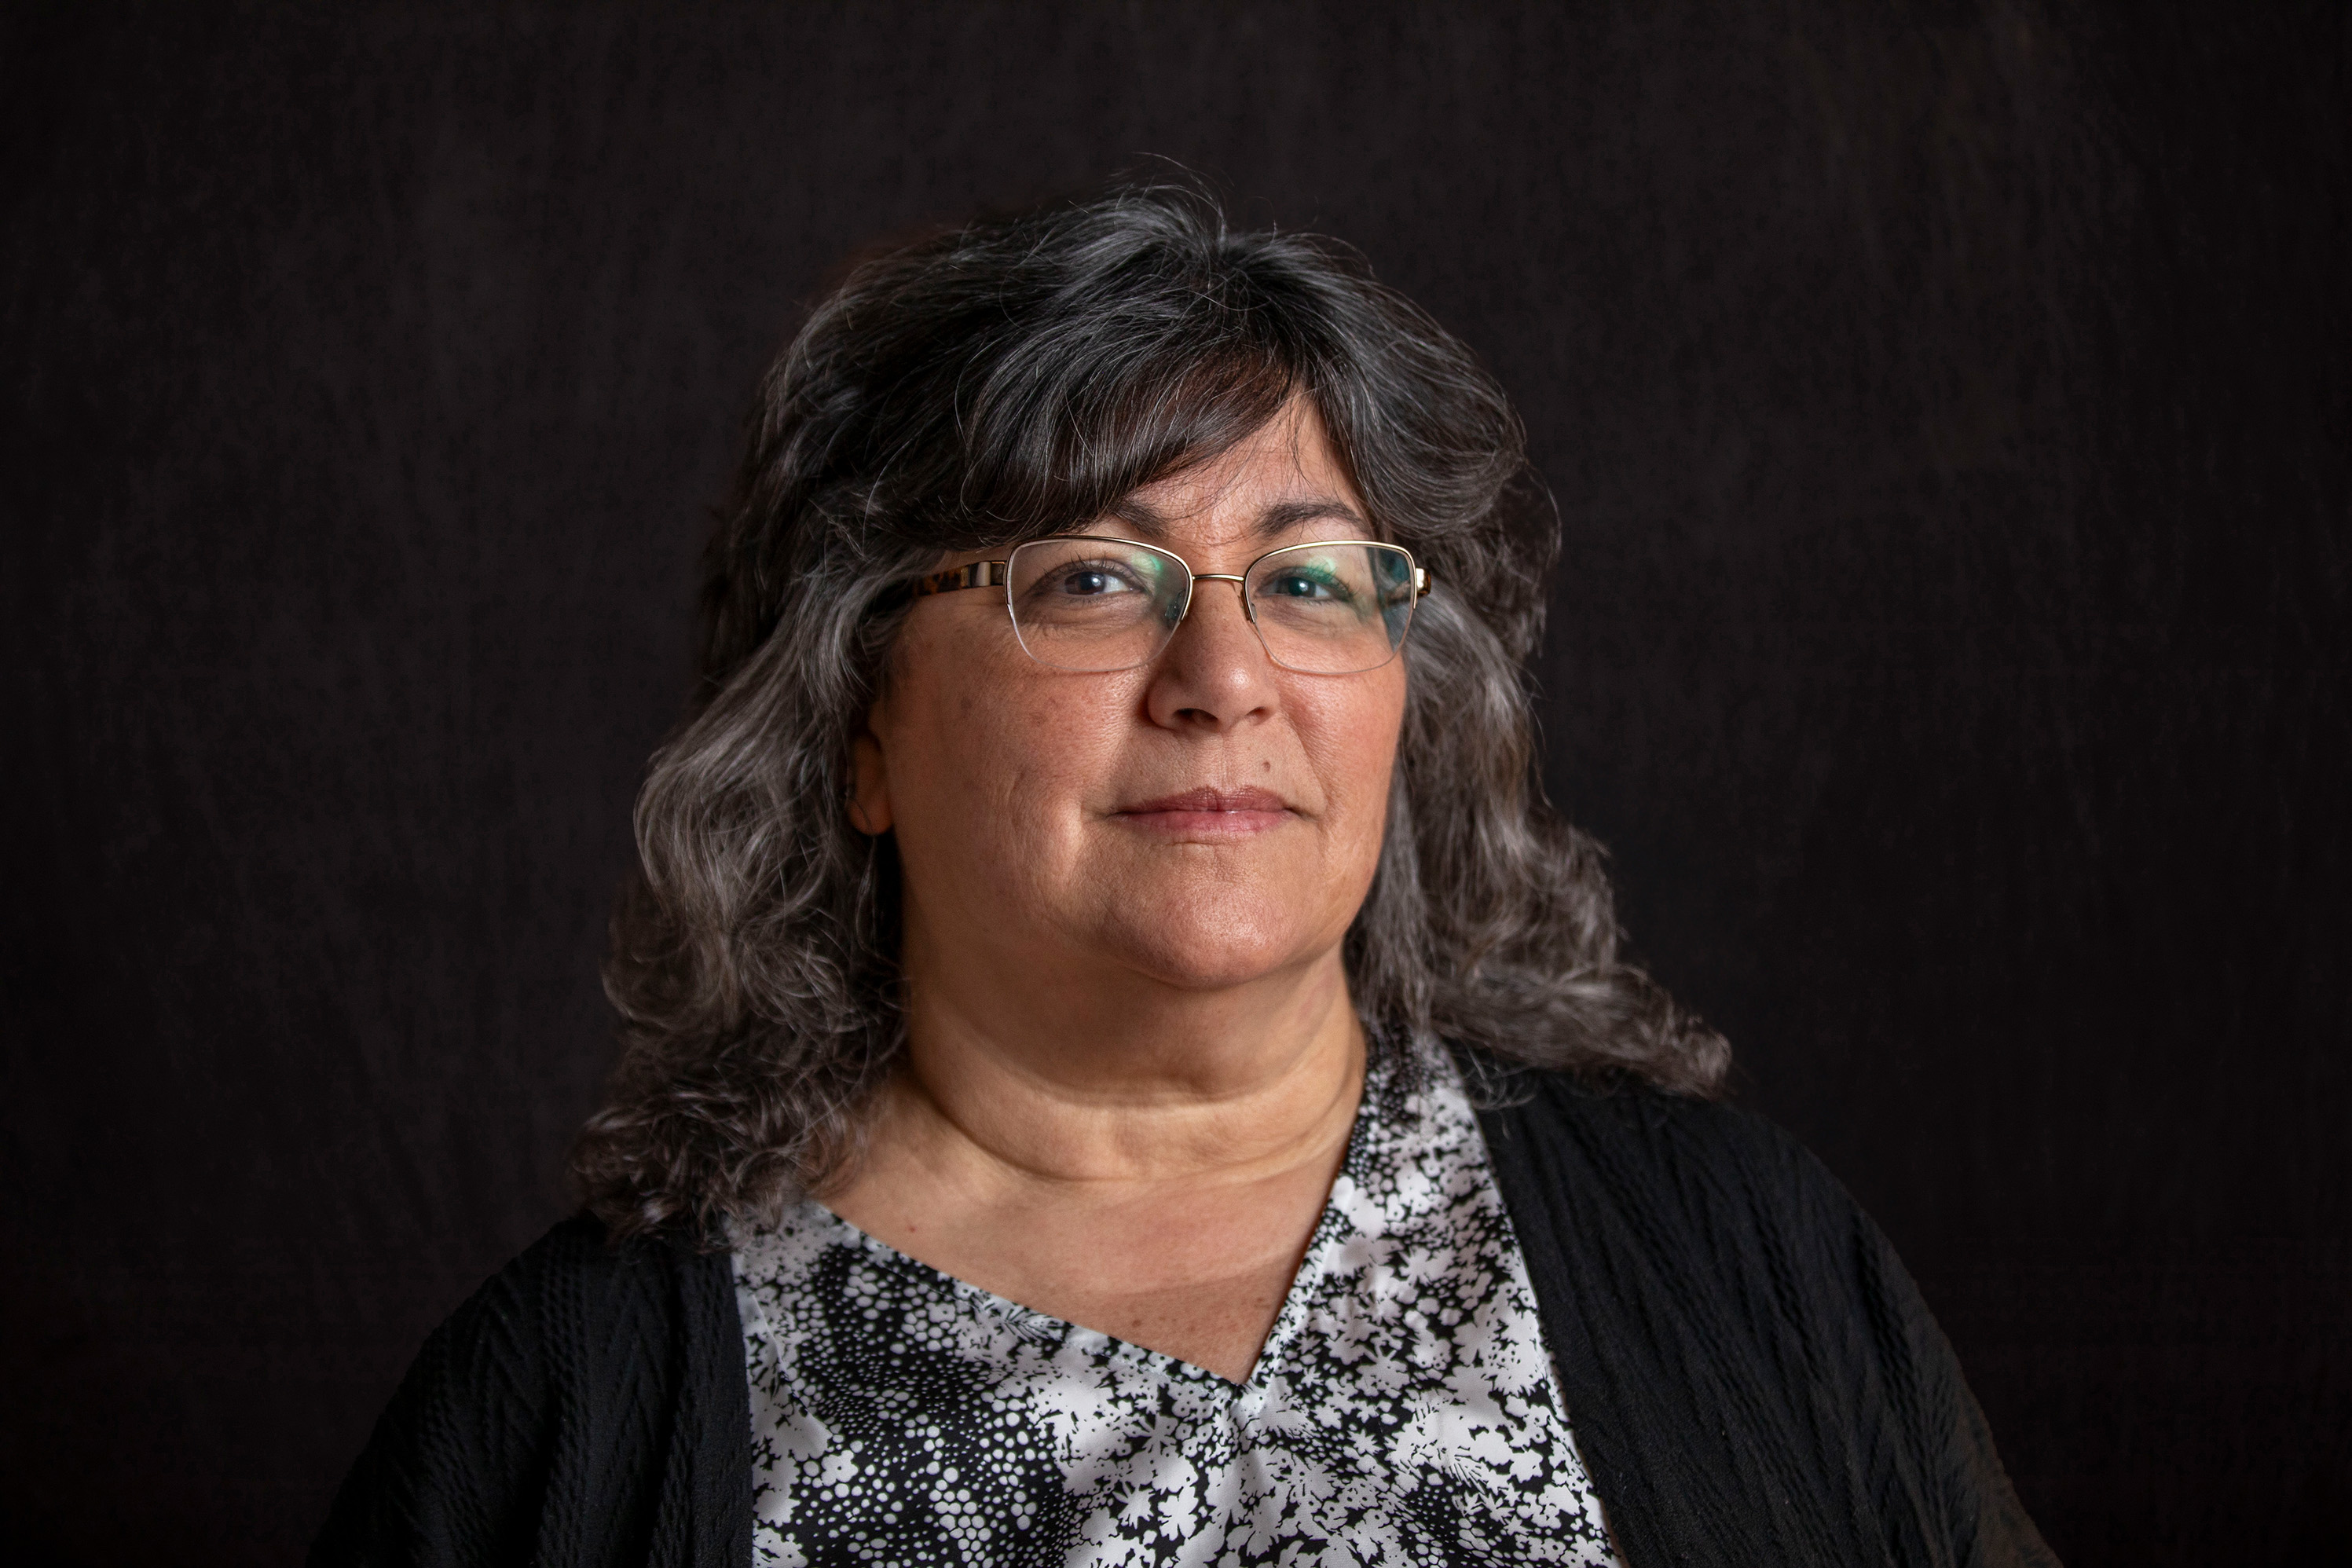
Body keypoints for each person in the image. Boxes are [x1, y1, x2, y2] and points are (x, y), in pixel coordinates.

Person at [312, 182, 2055, 1567]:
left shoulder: (1735, 1249)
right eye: (1090, 576)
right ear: (855, 725)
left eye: (1308, 582)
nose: (1224, 678)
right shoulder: (563, 1409)